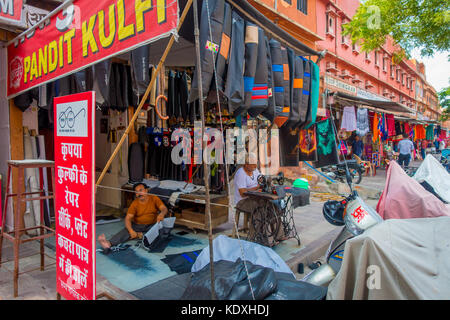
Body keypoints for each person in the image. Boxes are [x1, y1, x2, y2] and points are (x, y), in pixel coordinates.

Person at [98, 182, 168, 252]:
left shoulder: (154, 198)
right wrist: (131, 231)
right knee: (127, 231)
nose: (139, 194)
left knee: (163, 230)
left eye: (141, 190)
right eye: (136, 192)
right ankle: (108, 243)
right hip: (138, 225)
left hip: (152, 225)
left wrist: (162, 214)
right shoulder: (135, 203)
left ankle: (140, 235)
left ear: (146, 190)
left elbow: (164, 208)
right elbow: (128, 218)